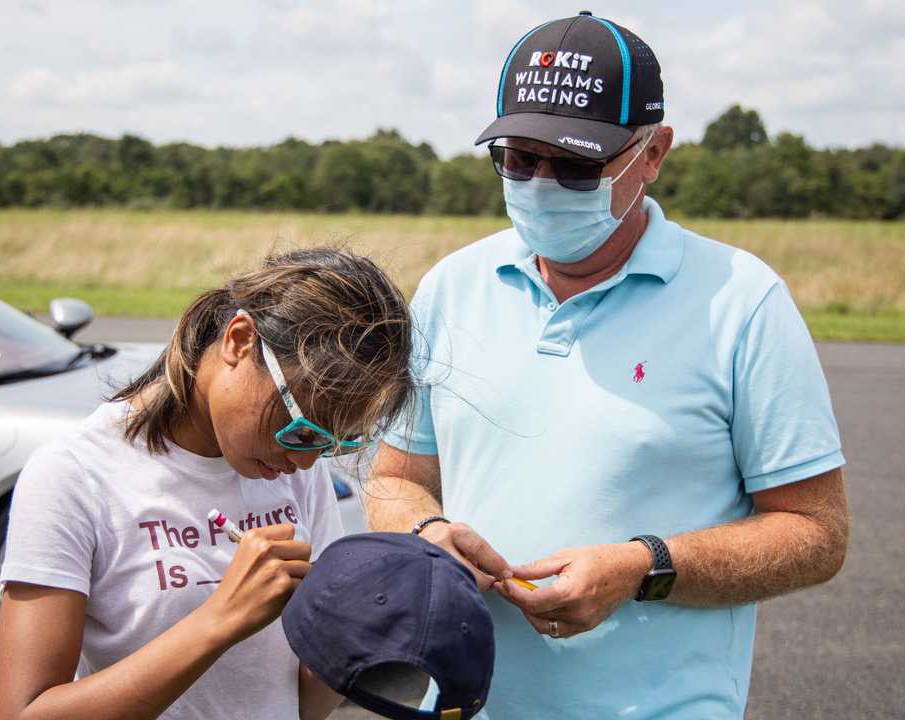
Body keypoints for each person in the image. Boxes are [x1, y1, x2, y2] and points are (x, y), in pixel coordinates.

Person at [364, 12, 849, 719]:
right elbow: (395, 479)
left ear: (653, 153)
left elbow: (817, 534)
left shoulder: (742, 303)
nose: (540, 184)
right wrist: (431, 538)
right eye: (518, 159)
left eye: (577, 165)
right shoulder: (451, 287)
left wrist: (640, 569)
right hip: (465, 705)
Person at [0, 248, 415, 720]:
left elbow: (302, 706)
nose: (305, 459)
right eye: (301, 429)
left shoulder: (298, 471)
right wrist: (222, 618)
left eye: (333, 443)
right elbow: (19, 713)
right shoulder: (74, 474)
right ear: (239, 340)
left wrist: (364, 621)